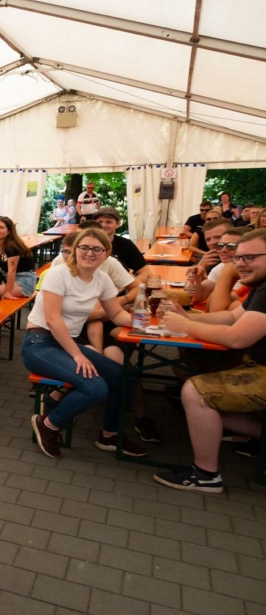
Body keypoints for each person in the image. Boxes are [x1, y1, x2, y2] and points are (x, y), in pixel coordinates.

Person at [154, 229, 266, 492]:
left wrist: (186, 325)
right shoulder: (260, 286)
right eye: (238, 258)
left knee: (195, 392)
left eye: (249, 257)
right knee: (200, 388)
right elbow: (230, 317)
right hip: (257, 364)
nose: (240, 263)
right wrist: (188, 317)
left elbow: (236, 338)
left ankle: (206, 474)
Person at [24, 228, 149, 460]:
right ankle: (48, 424)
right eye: (84, 247)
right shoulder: (59, 274)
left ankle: (110, 434)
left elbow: (116, 314)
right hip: (40, 343)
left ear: (107, 253)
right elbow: (52, 319)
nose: (89, 253)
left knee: (125, 377)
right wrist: (78, 355)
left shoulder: (102, 279)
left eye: (96, 249)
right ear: (75, 250)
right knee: (96, 388)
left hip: (66, 344)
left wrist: (146, 323)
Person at [92, 208, 150, 281]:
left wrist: (130, 285)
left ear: (118, 224)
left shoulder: (126, 244)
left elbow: (146, 273)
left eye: (108, 222)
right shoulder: (86, 244)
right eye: (100, 222)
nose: (103, 225)